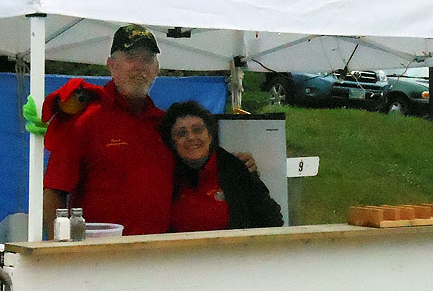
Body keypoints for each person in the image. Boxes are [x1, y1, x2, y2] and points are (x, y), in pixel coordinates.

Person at [42, 24, 257, 238]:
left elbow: (199, 170)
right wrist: (58, 253)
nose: (139, 66)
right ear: (111, 65)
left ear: (156, 69)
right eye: (131, 57)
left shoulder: (164, 125)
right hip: (99, 258)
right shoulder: (84, 120)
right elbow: (54, 192)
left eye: (147, 59)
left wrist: (236, 166)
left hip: (158, 257)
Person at [160, 101, 284, 232]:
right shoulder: (166, 175)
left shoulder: (236, 169)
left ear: (210, 135)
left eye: (197, 130)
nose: (191, 137)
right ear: (172, 142)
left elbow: (273, 219)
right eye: (182, 133)